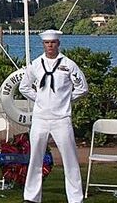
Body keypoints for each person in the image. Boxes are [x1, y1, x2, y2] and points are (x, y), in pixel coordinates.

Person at [19, 30, 88, 203]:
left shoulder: (69, 65)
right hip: (40, 118)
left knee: (70, 159)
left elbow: (82, 88)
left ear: (58, 43)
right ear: (43, 45)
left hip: (61, 119)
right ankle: (31, 197)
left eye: (53, 43)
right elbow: (24, 87)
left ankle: (75, 198)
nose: (50, 46)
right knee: (35, 158)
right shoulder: (35, 64)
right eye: (47, 43)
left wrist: (64, 99)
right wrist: (41, 99)